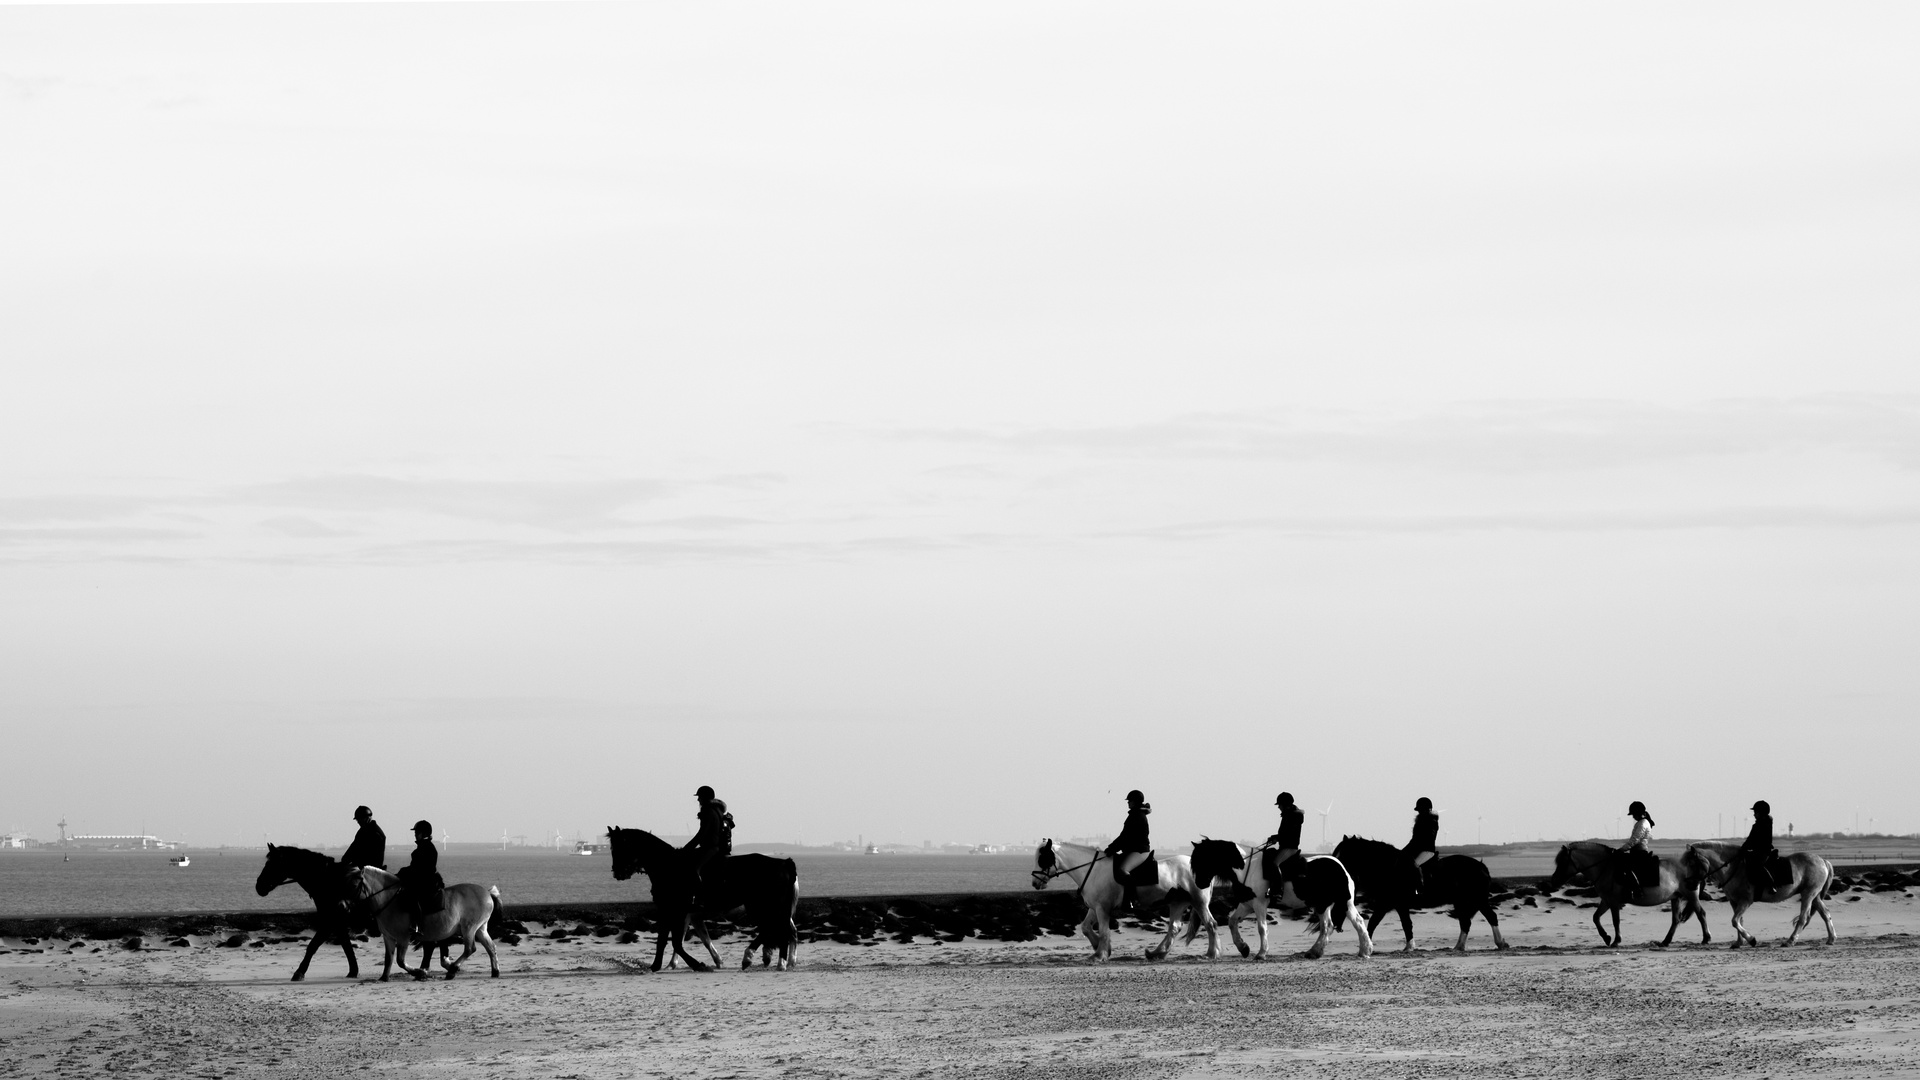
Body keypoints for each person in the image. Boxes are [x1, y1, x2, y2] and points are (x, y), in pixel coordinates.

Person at [1104, 790, 1153, 913]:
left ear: (1135, 802)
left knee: (1123, 870)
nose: (1128, 803)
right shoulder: (1135, 815)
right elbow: (1124, 837)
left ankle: (1133, 900)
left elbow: (1125, 837)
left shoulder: (1137, 816)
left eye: (1129, 801)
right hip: (1133, 850)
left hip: (1140, 851)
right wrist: (1112, 848)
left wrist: (1112, 848)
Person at [682, 786, 735, 899]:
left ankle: (700, 897)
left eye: (699, 797)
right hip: (716, 847)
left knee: (693, 869)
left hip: (710, 848)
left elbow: (702, 833)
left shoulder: (707, 811)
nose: (698, 800)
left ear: (704, 797)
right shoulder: (717, 810)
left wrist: (686, 848)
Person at [395, 820, 444, 925]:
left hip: (426, 881)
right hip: (421, 878)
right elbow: (415, 867)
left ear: (424, 834)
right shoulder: (422, 847)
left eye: (417, 833)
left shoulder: (428, 849)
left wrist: (406, 872)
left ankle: (417, 925)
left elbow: (424, 869)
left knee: (413, 896)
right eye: (415, 833)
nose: (415, 835)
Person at [1264, 792, 1305, 888]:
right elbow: (1284, 833)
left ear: (1285, 804)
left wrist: (1277, 838)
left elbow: (1289, 834)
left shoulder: (1293, 816)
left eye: (1280, 805)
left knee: (1275, 864)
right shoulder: (1288, 815)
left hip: (1290, 848)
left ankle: (1277, 890)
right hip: (1284, 847)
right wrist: (1274, 837)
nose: (1279, 807)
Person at [1616, 801, 1657, 889]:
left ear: (1638, 813)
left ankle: (1636, 889)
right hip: (1635, 851)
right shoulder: (1640, 823)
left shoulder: (1643, 823)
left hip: (1639, 852)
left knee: (1625, 866)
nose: (1633, 816)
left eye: (1634, 814)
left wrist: (1622, 850)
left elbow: (1635, 840)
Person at [1740, 799, 1779, 890]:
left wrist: (1746, 847)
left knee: (1757, 865)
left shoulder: (1762, 825)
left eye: (1755, 812)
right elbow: (1750, 840)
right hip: (1758, 850)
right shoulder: (1760, 823)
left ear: (1761, 813)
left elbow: (1753, 840)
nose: (1754, 814)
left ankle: (1771, 884)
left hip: (1763, 851)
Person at [1404, 797, 1439, 893]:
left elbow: (1422, 840)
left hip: (1427, 850)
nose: (1419, 812)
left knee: (1413, 866)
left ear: (1426, 809)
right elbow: (1415, 840)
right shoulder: (1423, 821)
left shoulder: (1430, 821)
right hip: (1420, 849)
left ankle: (1419, 890)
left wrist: (1408, 849)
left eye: (1420, 810)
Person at [342, 805, 386, 870]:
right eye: (357, 820)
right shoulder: (363, 831)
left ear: (367, 818)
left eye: (359, 819)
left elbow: (369, 856)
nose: (358, 822)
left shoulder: (375, 833)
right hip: (362, 867)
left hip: (369, 871)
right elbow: (353, 849)